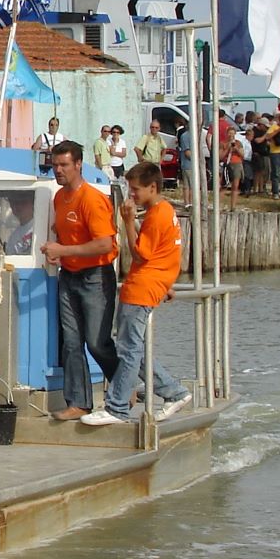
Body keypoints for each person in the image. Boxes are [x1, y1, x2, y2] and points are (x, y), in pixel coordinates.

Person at [82, 163, 191, 427]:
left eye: (136, 190)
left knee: (128, 349)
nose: (132, 195)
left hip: (143, 288)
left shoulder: (157, 215)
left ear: (153, 187)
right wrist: (166, 283)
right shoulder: (164, 212)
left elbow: (141, 253)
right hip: (151, 284)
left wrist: (129, 221)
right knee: (134, 348)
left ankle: (117, 407)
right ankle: (174, 392)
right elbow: (164, 254)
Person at [43, 140, 119, 422]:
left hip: (96, 276)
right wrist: (57, 250)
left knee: (97, 342)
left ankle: (123, 384)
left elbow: (103, 245)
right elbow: (66, 233)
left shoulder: (92, 199)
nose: (58, 170)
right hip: (69, 275)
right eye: (55, 165)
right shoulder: (59, 198)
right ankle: (78, 402)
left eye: (64, 165)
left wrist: (62, 251)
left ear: (78, 165)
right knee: (71, 342)